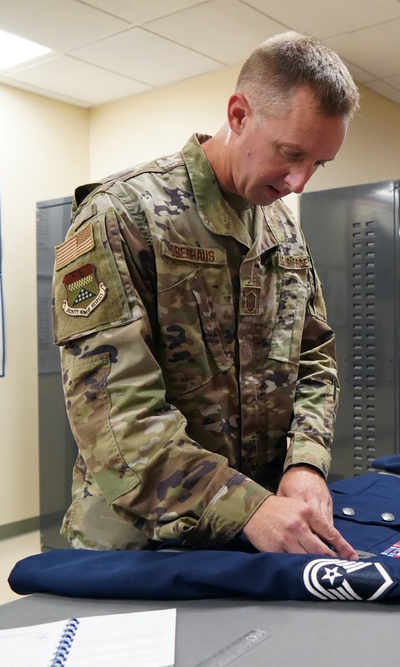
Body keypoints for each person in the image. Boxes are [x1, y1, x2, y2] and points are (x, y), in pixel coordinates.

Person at [50, 31, 360, 559]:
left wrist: (306, 462)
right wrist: (248, 509)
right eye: (291, 153)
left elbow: (315, 359)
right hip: (141, 542)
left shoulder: (283, 232)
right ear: (239, 115)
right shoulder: (123, 214)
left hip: (264, 531)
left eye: (319, 164)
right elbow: (116, 422)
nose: (301, 181)